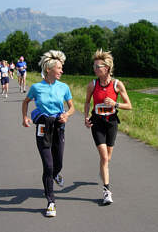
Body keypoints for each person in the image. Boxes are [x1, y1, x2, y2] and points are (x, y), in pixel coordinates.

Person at [22, 50, 75, 217]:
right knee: (48, 166)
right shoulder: (36, 88)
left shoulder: (64, 87)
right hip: (42, 129)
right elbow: (26, 102)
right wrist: (24, 117)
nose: (61, 71)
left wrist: (67, 114)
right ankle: (51, 201)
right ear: (49, 69)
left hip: (58, 128)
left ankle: (56, 175)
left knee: (57, 164)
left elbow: (72, 107)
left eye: (61, 68)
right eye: (59, 68)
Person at [84, 49, 132, 205]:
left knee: (107, 158)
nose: (95, 69)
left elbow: (129, 105)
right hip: (97, 123)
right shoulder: (92, 84)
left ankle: (103, 171)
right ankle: (106, 191)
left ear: (107, 68)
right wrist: (86, 117)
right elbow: (86, 102)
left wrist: (115, 103)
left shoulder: (118, 84)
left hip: (111, 123)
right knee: (104, 157)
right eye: (94, 66)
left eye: (98, 66)